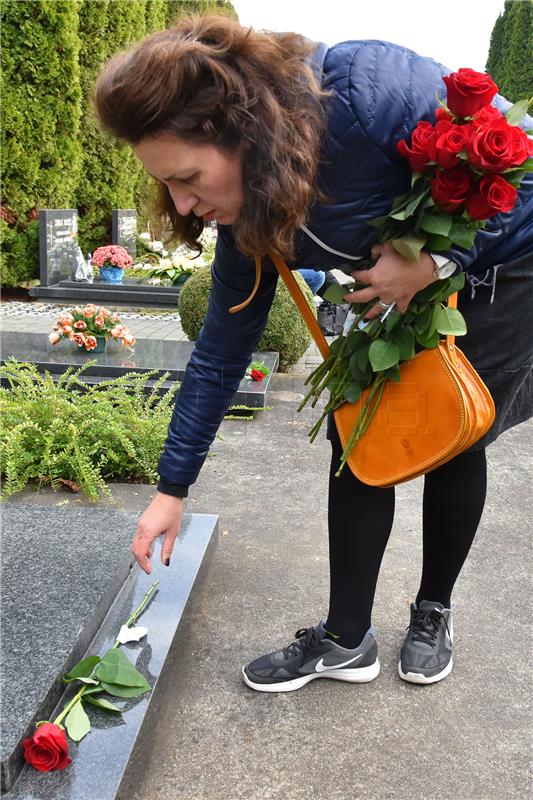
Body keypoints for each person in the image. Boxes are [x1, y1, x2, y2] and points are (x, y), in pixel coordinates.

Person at [94, 15, 532, 691]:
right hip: (396, 285)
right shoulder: (246, 211)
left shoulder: (363, 90)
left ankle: (432, 609)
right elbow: (220, 351)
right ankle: (346, 638)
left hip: (498, 268)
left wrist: (439, 260)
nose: (182, 203)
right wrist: (171, 489)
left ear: (237, 130)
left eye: (187, 177)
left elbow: (525, 165)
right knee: (355, 435)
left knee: (456, 431)